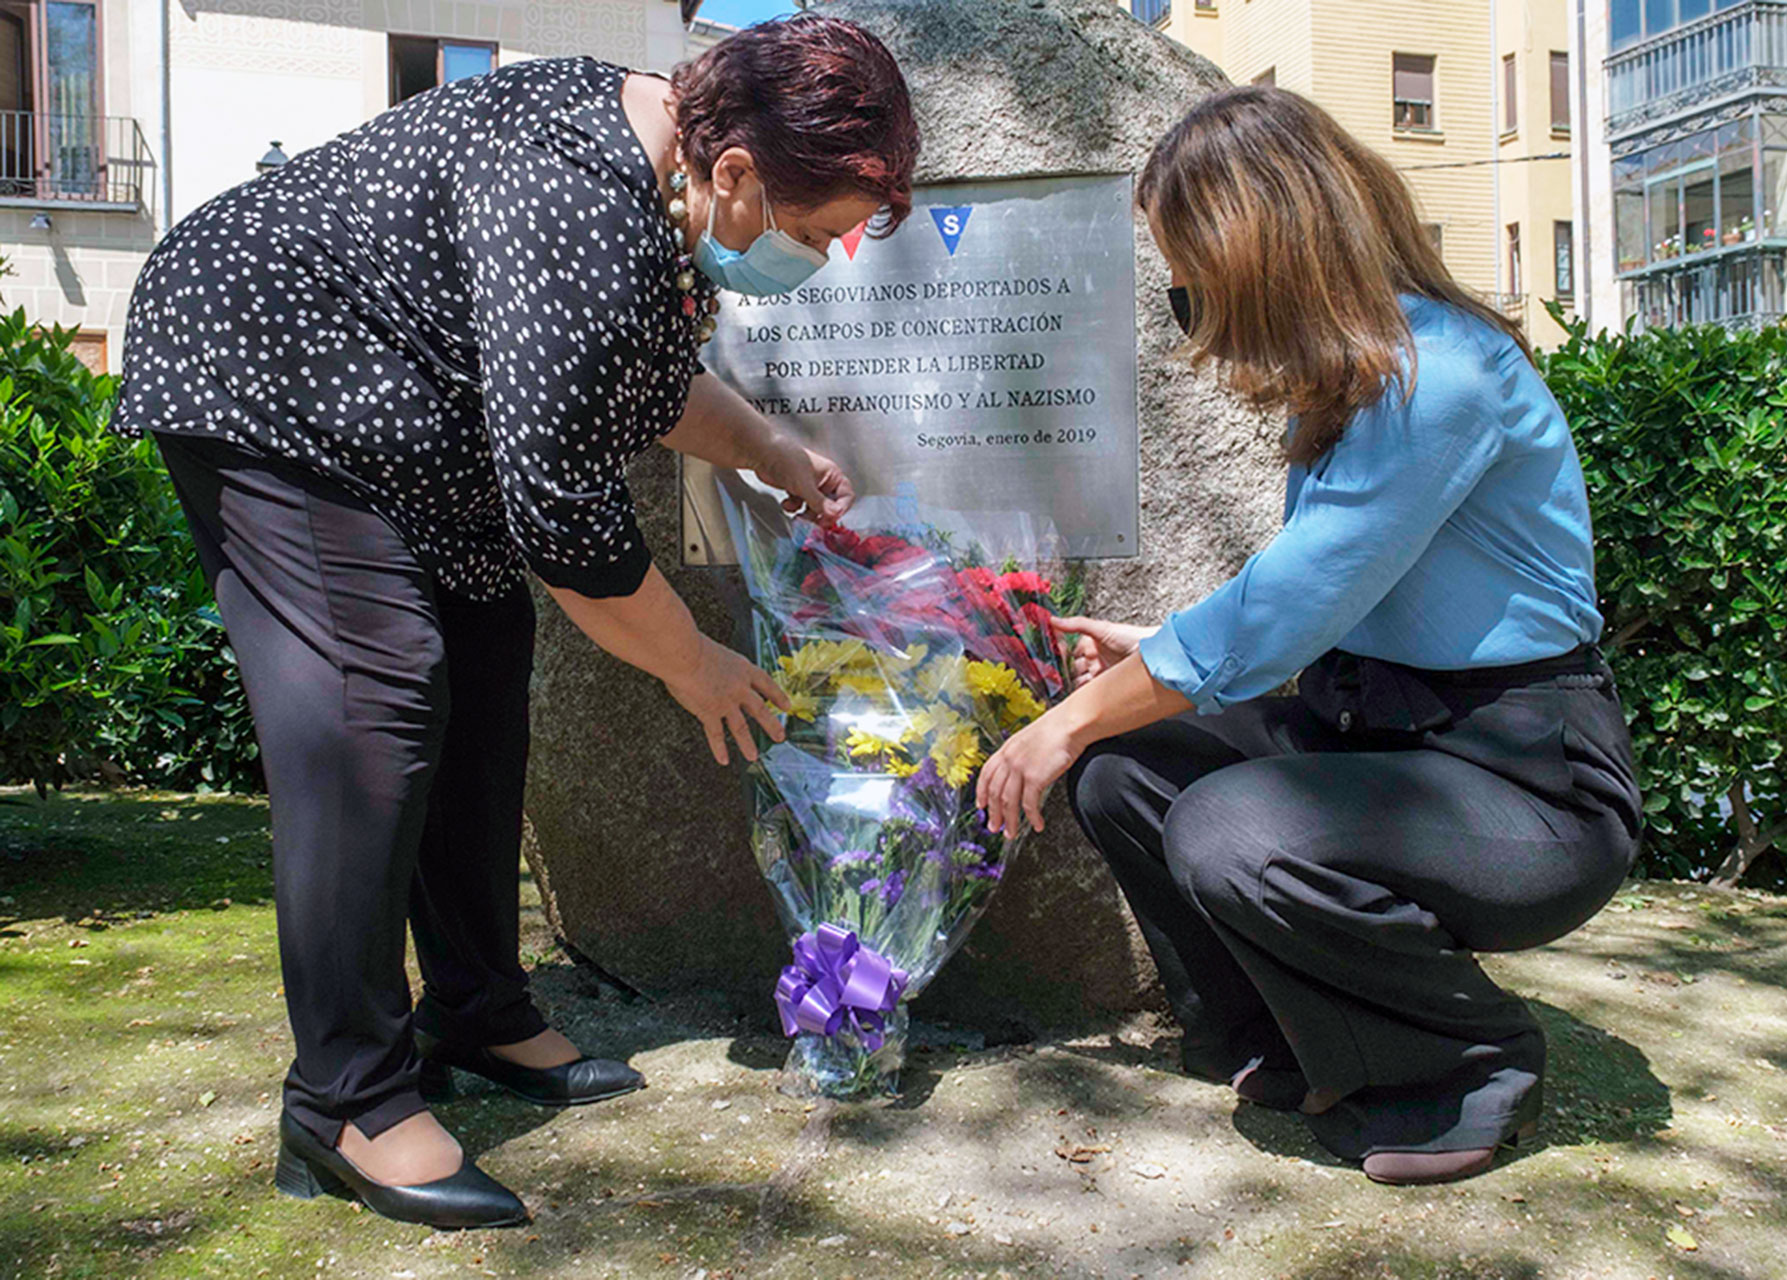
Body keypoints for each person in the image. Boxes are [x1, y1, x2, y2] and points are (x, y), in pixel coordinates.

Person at [106, 17, 918, 1229]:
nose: (825, 258)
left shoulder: (662, 177)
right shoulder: (580, 195)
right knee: (369, 701)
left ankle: (477, 1007)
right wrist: (694, 663)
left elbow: (632, 376)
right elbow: (564, 516)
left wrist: (769, 448)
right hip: (270, 369)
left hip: (405, 418)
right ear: (737, 170)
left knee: (485, 664)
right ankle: (346, 1094)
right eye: (813, 234)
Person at [975, 87, 1641, 1187]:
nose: (1183, 292)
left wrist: (1061, 721)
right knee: (1126, 768)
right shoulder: (1355, 377)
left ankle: (1468, 1057)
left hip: (1526, 783)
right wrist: (1139, 666)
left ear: (1263, 248)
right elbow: (1340, 601)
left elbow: (1284, 608)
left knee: (1235, 827)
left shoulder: (1439, 375)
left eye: (1188, 265)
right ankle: (1288, 1036)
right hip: (1379, 732)